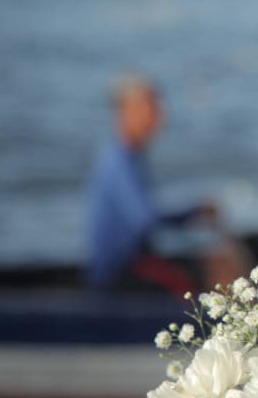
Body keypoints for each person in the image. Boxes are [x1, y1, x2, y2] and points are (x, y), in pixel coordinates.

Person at [85, 75, 239, 294]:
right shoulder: (119, 161)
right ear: (125, 112)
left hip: (134, 263)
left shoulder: (126, 156)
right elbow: (145, 220)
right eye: (150, 107)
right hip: (120, 272)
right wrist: (194, 214)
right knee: (210, 272)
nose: (159, 116)